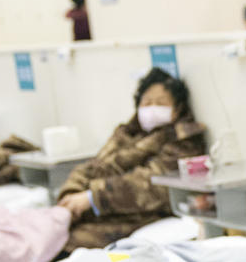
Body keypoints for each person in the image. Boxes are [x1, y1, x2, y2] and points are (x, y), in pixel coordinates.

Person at [57, 67, 206, 250]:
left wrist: (94, 197)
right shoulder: (125, 134)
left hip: (138, 216)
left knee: (67, 244)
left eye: (160, 103)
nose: (152, 108)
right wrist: (71, 196)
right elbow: (91, 167)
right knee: (43, 232)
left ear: (177, 109)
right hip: (95, 213)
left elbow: (152, 184)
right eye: (147, 102)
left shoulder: (183, 140)